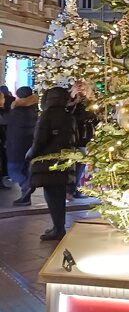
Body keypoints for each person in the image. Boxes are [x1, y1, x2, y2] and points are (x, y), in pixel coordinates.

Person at [27, 87, 77, 241]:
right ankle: (58, 226)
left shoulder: (47, 115)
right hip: (64, 159)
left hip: (47, 161)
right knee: (59, 195)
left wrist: (31, 154)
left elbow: (40, 139)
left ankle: (58, 228)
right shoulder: (69, 116)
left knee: (51, 195)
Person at [1, 86, 39, 205]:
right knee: (24, 170)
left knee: (13, 171)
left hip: (16, 145)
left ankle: (27, 186)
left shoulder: (17, 111)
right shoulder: (33, 109)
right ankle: (25, 198)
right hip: (28, 145)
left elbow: (3, 119)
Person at [67, 80, 97, 199]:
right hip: (75, 136)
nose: (81, 91)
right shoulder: (71, 102)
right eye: (79, 88)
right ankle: (71, 190)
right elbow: (69, 115)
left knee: (81, 164)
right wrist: (73, 98)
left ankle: (75, 189)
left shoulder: (90, 102)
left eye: (83, 89)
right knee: (77, 164)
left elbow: (94, 118)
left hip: (85, 136)